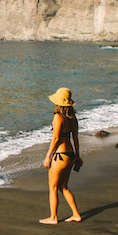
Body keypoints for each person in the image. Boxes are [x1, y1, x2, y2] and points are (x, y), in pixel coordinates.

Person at [40, 87, 83, 224]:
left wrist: (48, 156)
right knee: (63, 187)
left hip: (59, 156)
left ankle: (53, 217)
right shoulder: (73, 118)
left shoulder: (58, 116)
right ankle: (76, 214)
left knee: (53, 188)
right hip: (70, 155)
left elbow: (56, 139)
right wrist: (77, 155)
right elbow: (75, 138)